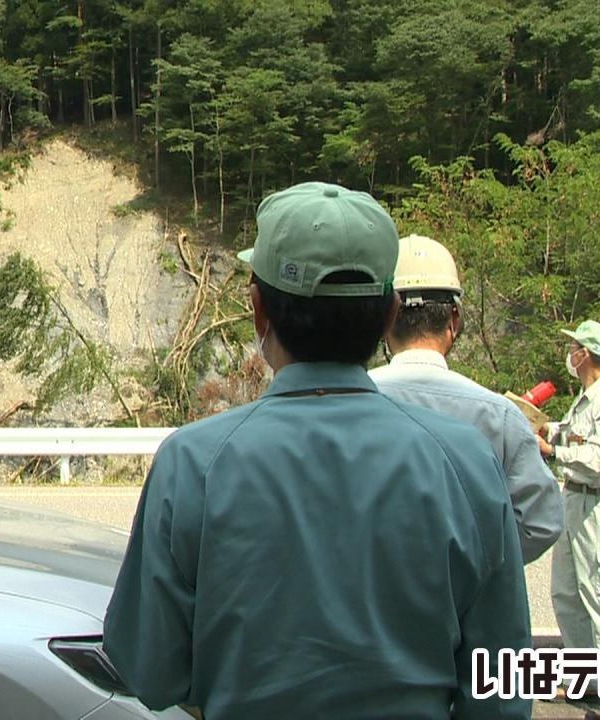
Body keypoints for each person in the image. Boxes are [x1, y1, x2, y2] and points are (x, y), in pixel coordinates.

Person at [103, 182, 531, 719]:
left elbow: (152, 673)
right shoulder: (465, 462)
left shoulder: (194, 464)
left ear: (259, 311)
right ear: (389, 312)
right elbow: (501, 691)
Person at [370, 234, 562, 563]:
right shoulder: (498, 415)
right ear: (454, 320)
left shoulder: (345, 401)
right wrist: (475, 564)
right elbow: (540, 524)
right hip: (468, 610)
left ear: (386, 317)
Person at [538, 320, 600, 719]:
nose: (571, 354)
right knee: (568, 594)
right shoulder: (585, 399)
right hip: (575, 501)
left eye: (576, 348)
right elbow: (578, 439)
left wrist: (553, 452)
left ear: (588, 355)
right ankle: (589, 678)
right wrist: (552, 431)